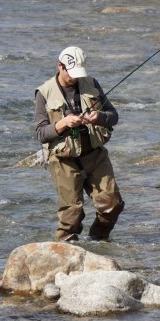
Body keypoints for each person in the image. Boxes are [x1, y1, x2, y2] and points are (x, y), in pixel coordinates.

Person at [34, 46, 124, 242]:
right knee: (71, 217)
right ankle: (65, 251)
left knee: (113, 205)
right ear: (60, 66)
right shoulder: (44, 92)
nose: (75, 78)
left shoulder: (92, 83)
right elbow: (41, 133)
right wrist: (63, 123)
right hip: (64, 161)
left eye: (78, 74)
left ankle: (97, 242)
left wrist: (99, 117)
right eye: (71, 73)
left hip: (95, 155)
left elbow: (114, 116)